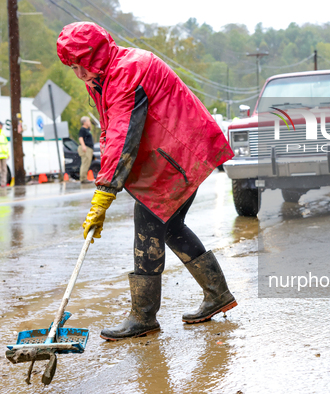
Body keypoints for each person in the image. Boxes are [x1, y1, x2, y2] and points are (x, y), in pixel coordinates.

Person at [56, 22, 237, 341]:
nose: (80, 75)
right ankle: (217, 294)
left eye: (81, 66)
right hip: (168, 156)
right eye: (73, 69)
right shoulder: (102, 78)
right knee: (170, 228)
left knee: (149, 228)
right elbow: (109, 130)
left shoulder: (128, 70)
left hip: (177, 154)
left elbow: (123, 136)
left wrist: (104, 193)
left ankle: (143, 316)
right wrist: (106, 183)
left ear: (95, 55)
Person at [77, 116, 95, 183]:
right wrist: (83, 146)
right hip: (85, 148)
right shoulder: (82, 129)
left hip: (89, 148)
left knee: (87, 163)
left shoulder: (87, 130)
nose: (89, 122)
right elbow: (80, 138)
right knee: (85, 163)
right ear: (84, 122)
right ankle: (83, 179)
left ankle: (84, 177)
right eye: (88, 121)